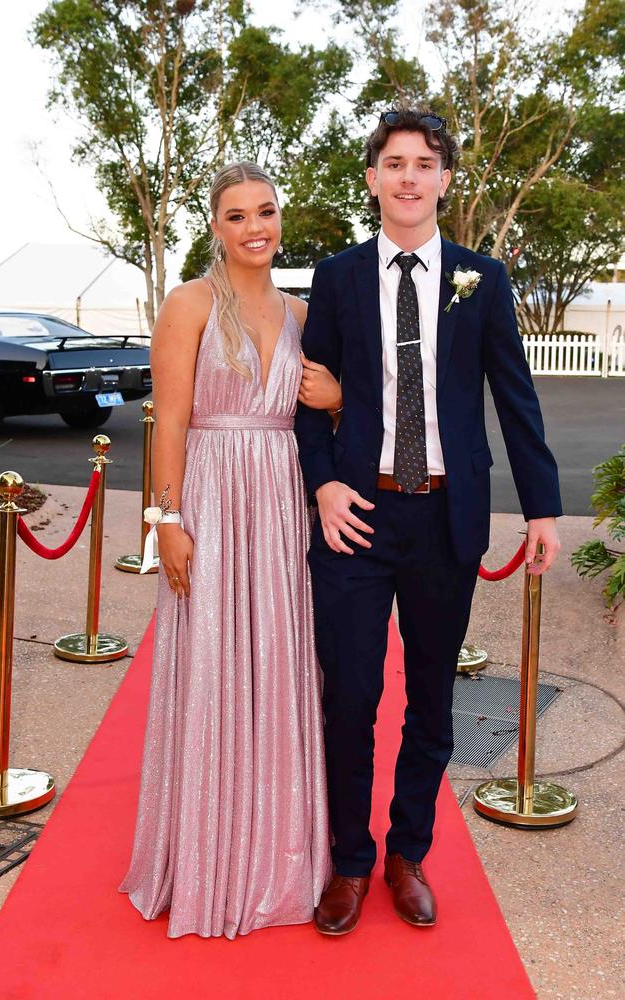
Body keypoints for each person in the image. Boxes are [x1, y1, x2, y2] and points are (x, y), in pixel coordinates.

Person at [295, 105, 562, 936]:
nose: (409, 176)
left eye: (425, 162)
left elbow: (515, 397)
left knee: (431, 706)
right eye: (395, 162)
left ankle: (409, 853)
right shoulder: (336, 279)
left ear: (445, 180)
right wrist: (322, 487)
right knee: (351, 697)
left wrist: (544, 506)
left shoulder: (482, 276)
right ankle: (349, 861)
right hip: (358, 515)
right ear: (373, 178)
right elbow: (309, 396)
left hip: (449, 516)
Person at [120, 161, 340, 939]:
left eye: (268, 212)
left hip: (281, 503)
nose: (256, 228)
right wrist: (165, 520)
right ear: (215, 225)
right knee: (213, 662)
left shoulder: (306, 312)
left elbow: (331, 411)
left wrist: (338, 397)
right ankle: (210, 857)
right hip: (210, 496)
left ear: (282, 220)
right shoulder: (189, 304)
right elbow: (169, 421)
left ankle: (281, 855)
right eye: (239, 215)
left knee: (281, 664)